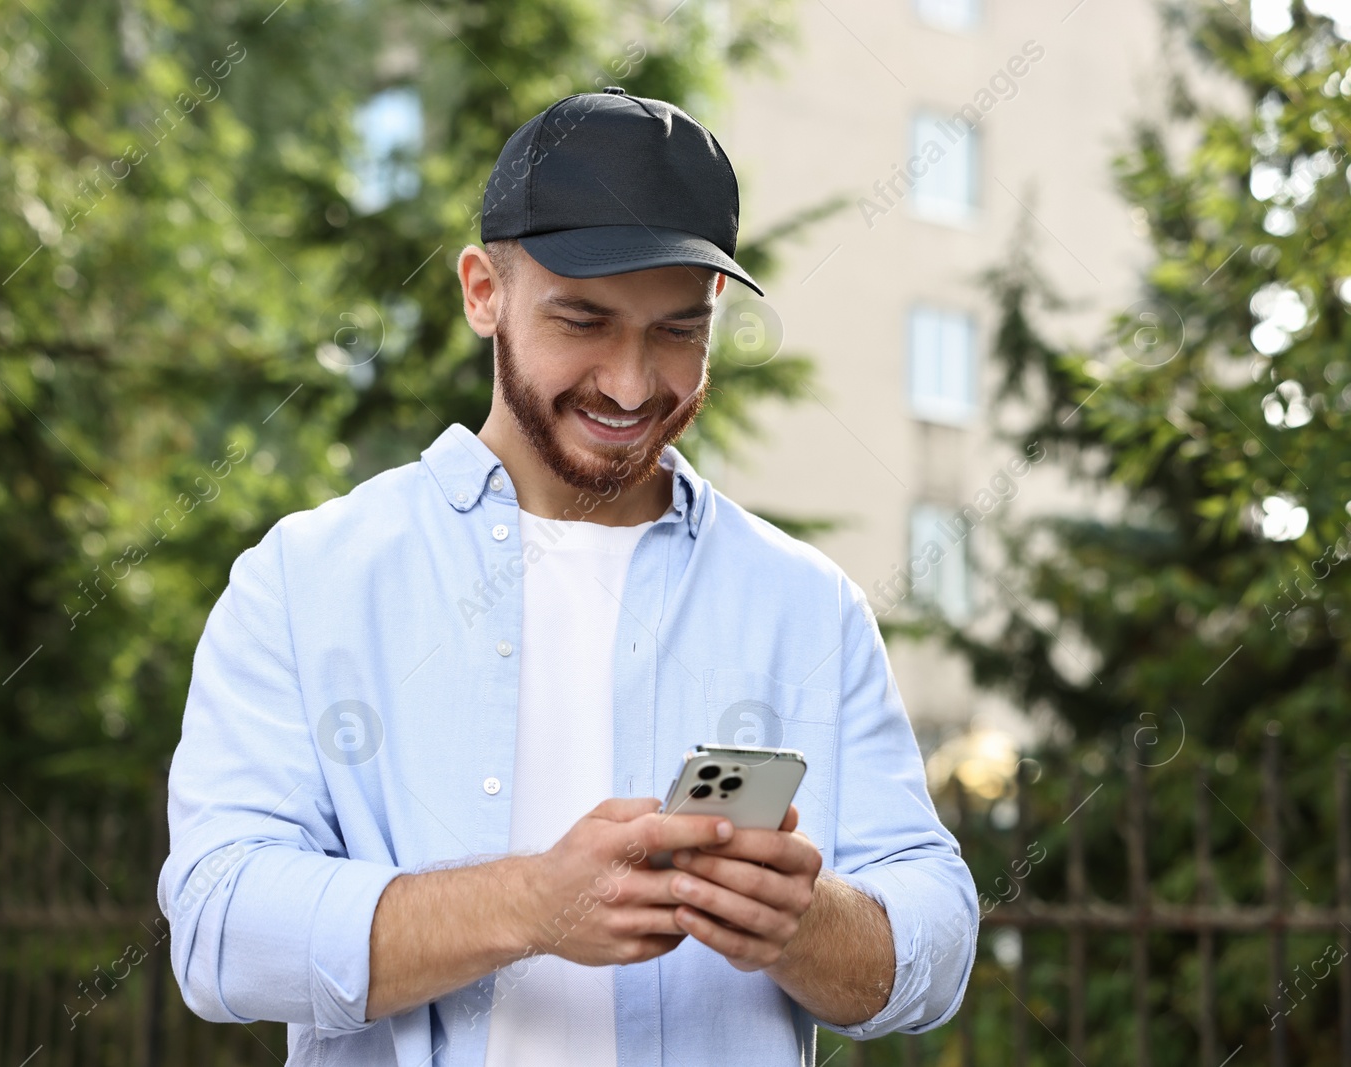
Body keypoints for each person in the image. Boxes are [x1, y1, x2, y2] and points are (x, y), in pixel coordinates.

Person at [158, 87, 978, 1066]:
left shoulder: (806, 607)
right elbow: (217, 928)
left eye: (676, 331)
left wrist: (802, 921)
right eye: (583, 320)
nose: (631, 384)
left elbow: (934, 940)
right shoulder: (306, 580)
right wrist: (530, 902)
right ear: (480, 292)